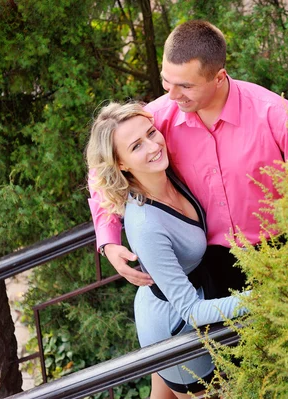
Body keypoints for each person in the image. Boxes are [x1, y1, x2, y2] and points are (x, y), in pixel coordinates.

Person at [88, 20, 288, 292]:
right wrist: (109, 241)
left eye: (185, 86)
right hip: (215, 267)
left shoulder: (274, 114)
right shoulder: (158, 119)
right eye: (167, 81)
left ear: (219, 77)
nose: (172, 95)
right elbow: (104, 165)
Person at [86, 102, 248, 399]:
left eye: (151, 133)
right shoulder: (146, 224)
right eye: (136, 146)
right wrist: (261, 300)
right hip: (176, 328)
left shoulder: (163, 173)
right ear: (121, 164)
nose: (153, 146)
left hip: (170, 301)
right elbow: (192, 311)